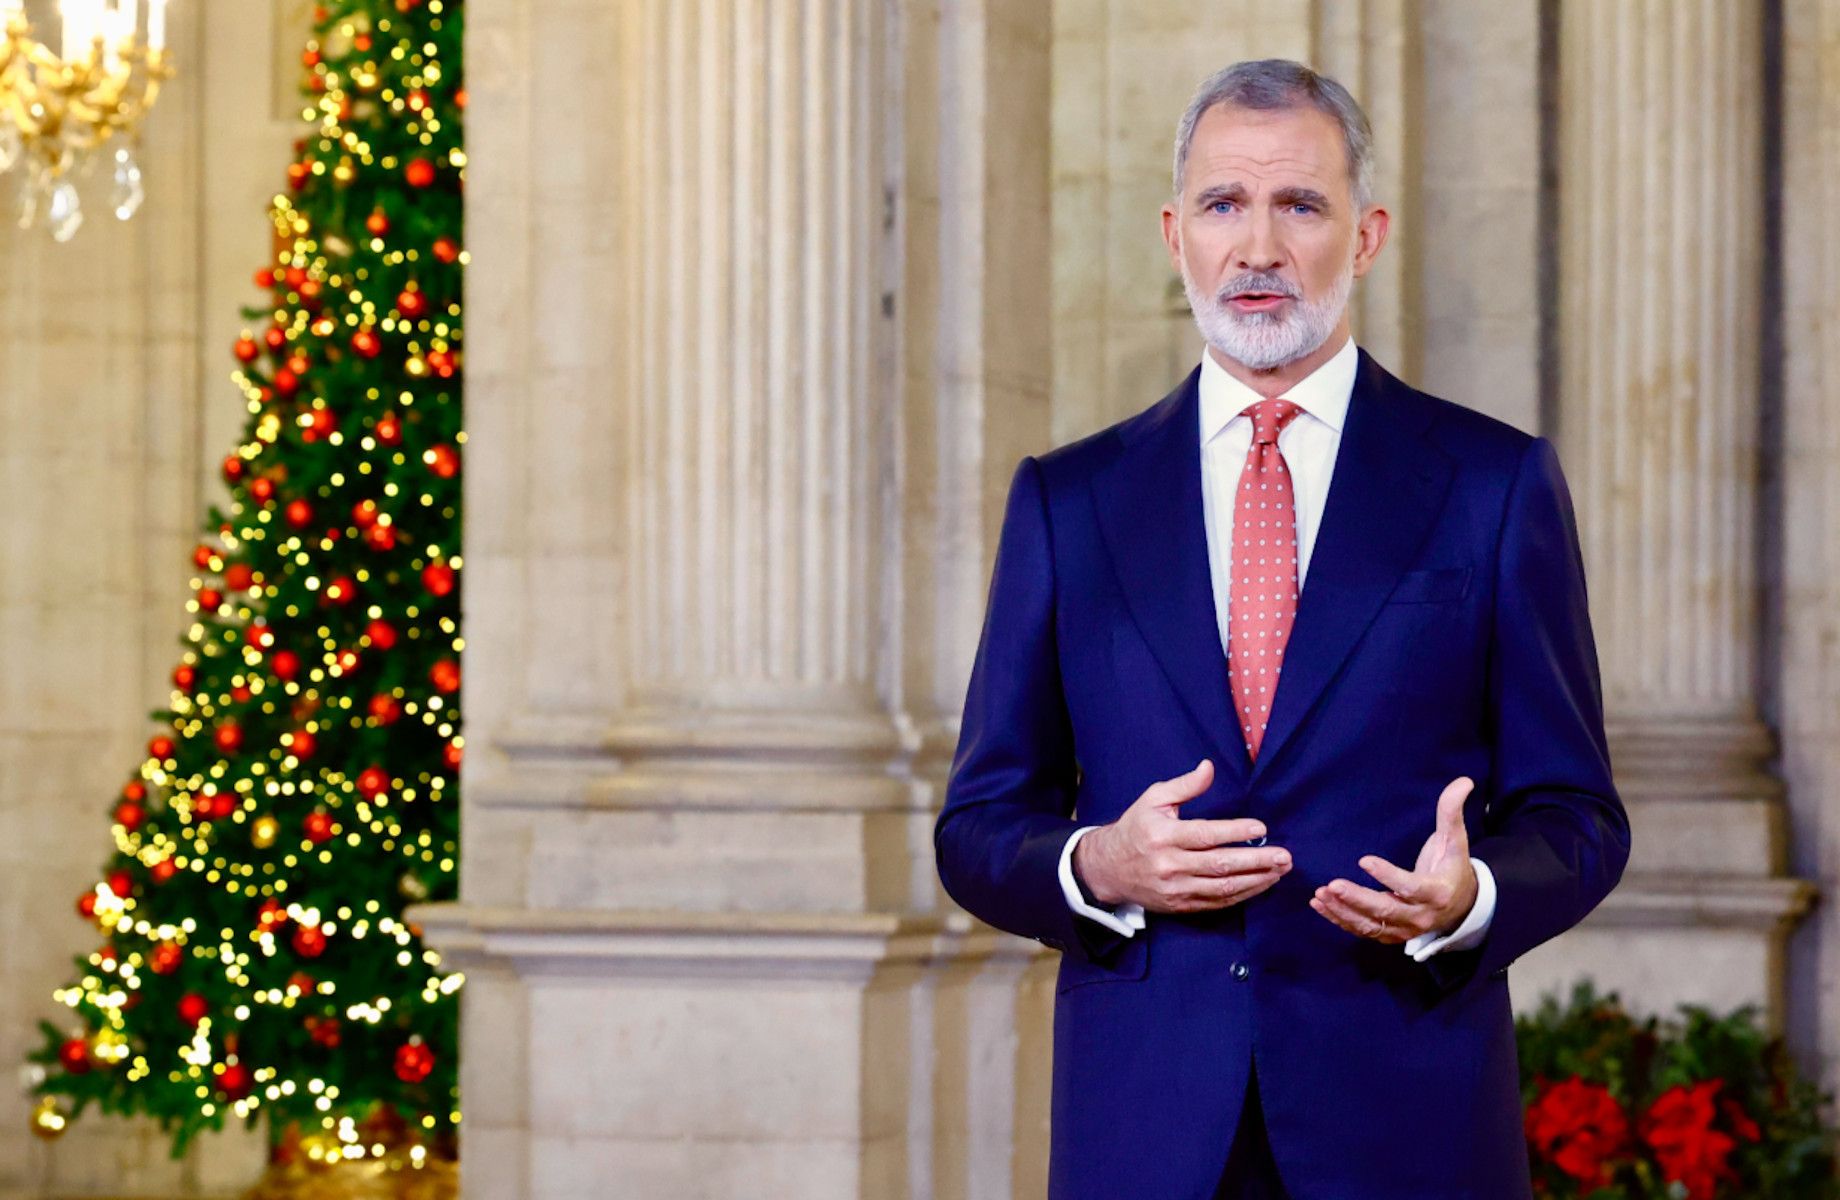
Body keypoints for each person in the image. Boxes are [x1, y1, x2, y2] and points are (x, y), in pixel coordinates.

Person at [932, 58, 1630, 1199]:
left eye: (1298, 204)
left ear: (1364, 236)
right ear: (1175, 233)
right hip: (1146, 1132)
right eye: (1223, 205)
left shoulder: (1492, 486)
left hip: (1406, 1124)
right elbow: (976, 824)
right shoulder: (1068, 501)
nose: (1257, 248)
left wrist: (1472, 898)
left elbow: (1578, 814)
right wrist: (1095, 860)